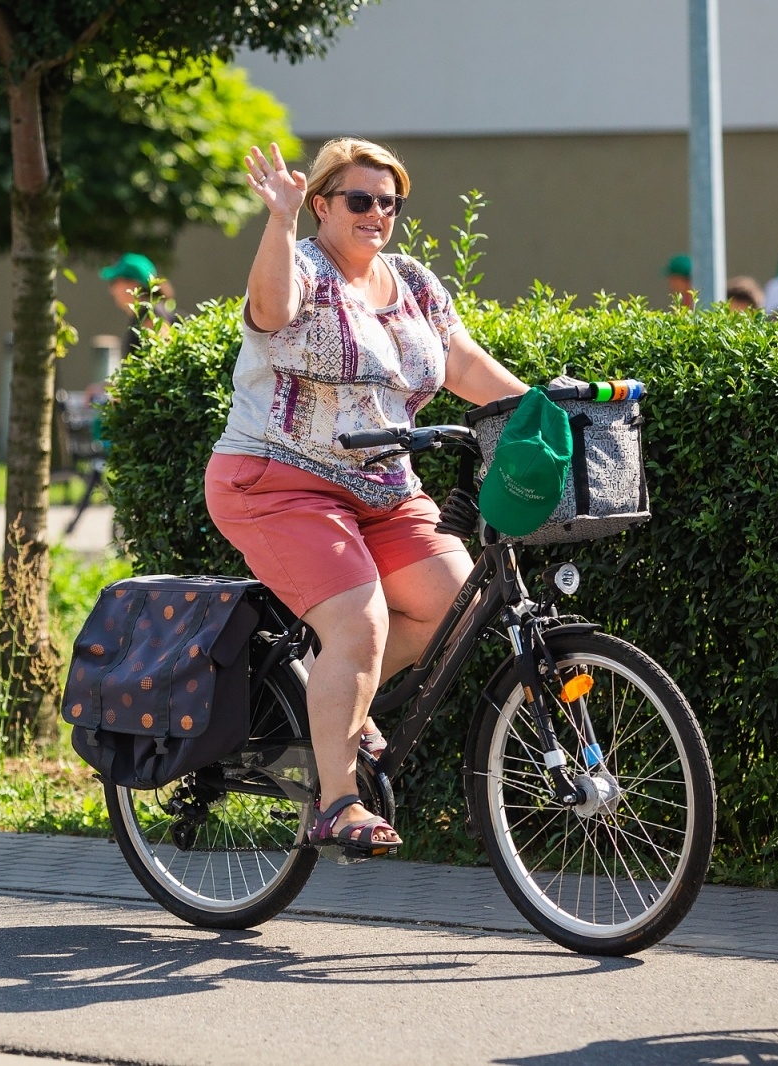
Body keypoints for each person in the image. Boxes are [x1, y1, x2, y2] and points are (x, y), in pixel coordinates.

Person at [204, 138, 529, 854]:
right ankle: (339, 802)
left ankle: (332, 702)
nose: (377, 212)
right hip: (277, 478)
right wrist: (279, 221)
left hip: (382, 485)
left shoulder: (411, 280)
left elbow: (461, 363)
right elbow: (269, 308)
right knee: (360, 622)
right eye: (359, 199)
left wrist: (539, 404)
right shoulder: (302, 267)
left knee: (459, 609)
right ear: (323, 203)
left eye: (389, 201)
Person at [100, 252, 177, 360]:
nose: (111, 290)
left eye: (115, 282)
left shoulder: (150, 314)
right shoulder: (146, 313)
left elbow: (163, 355)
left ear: (133, 284)